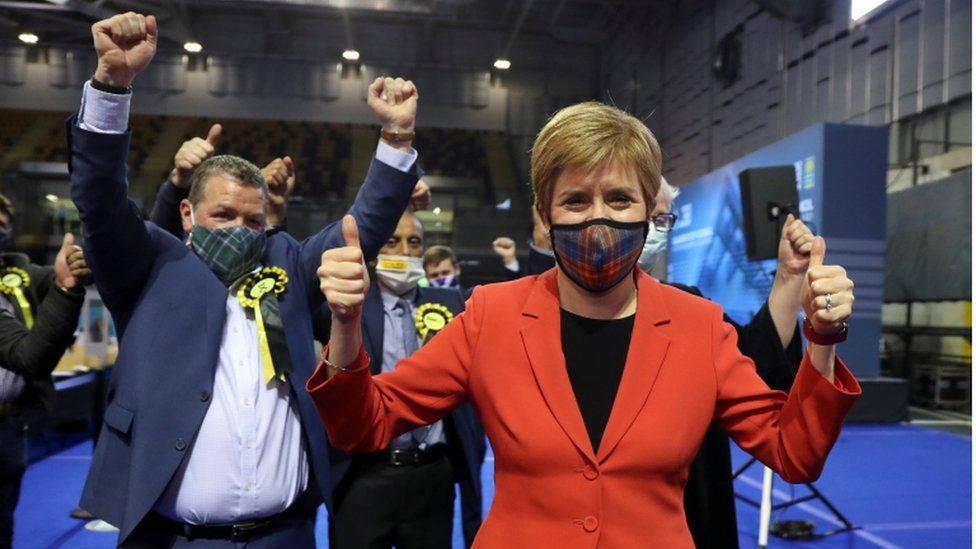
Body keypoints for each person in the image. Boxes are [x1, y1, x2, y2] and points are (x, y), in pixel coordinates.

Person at [309, 100, 861, 547]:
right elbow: (364, 424)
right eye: (575, 200)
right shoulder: (489, 315)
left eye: (620, 198)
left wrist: (822, 340)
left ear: (650, 210)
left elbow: (794, 453)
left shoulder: (700, 326)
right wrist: (346, 324)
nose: (598, 218)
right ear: (546, 217)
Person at [69, 13, 422, 546]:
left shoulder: (288, 260)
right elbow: (98, 199)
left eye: (252, 220)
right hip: (176, 538)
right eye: (224, 216)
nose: (240, 230)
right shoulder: (146, 264)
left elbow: (362, 229)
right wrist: (112, 88)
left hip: (285, 535)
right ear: (187, 214)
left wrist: (396, 137)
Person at [330, 209, 485, 548]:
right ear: (374, 252)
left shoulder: (451, 303)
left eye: (414, 243)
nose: (404, 251)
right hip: (363, 474)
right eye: (393, 241)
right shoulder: (348, 305)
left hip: (431, 474)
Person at [0, 194, 89, 549]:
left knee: (4, 523)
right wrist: (66, 287)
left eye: (3, 224)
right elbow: (29, 355)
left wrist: (77, 264)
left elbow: (64, 274)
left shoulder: (15, 274)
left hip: (8, 423)